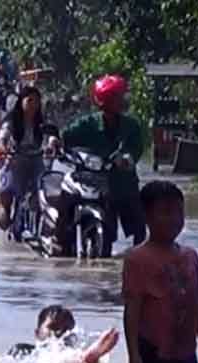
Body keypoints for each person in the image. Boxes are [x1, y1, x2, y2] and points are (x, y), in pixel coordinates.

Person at [122, 181, 198, 363]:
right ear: (146, 216)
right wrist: (133, 355)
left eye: (179, 211)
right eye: (165, 212)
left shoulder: (190, 257)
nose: (174, 219)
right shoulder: (137, 259)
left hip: (185, 354)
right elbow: (132, 311)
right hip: (152, 353)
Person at [62, 75, 147, 252]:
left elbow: (136, 149)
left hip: (123, 183)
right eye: (117, 97)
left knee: (138, 225)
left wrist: (126, 159)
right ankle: (64, 242)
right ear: (106, 101)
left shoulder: (131, 126)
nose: (122, 101)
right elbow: (66, 136)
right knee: (66, 201)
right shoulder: (88, 124)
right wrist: (55, 141)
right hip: (93, 182)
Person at [0, 85, 49, 234]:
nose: (33, 105)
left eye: (37, 101)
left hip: (37, 159)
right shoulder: (12, 120)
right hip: (16, 159)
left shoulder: (42, 121)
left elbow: (50, 134)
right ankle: (7, 211)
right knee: (6, 189)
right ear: (21, 101)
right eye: (30, 100)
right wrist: (2, 146)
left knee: (45, 188)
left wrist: (52, 143)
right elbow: (3, 136)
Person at [8, 305, 119, 363]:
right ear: (37, 333)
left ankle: (89, 358)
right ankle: (87, 359)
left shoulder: (72, 351)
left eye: (66, 330)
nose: (60, 333)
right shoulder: (22, 350)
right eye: (53, 327)